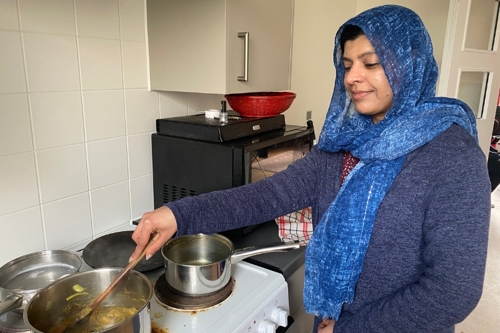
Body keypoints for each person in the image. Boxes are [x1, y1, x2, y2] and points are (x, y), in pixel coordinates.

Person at [131, 5, 491, 333]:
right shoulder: (344, 143)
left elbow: (451, 291)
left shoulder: (452, 156)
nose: (352, 77)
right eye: (347, 65)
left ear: (409, 64)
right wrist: (179, 214)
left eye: (371, 63)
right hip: (331, 320)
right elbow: (269, 194)